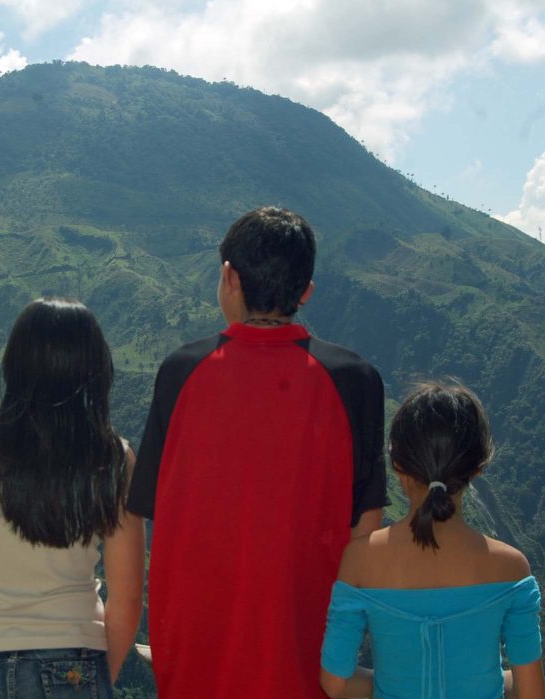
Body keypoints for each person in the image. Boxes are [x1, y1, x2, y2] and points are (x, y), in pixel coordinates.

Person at [126, 206, 388, 697]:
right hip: (307, 655)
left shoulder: (181, 372)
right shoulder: (355, 380)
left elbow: (151, 512)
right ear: (307, 290)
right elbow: (365, 527)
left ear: (229, 277)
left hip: (195, 655)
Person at [0, 297, 145, 698]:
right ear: (95, 368)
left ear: (15, 361)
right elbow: (127, 597)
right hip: (75, 655)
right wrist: (98, 676)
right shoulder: (113, 456)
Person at [320, 381, 545, 699]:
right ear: (478, 467)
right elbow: (531, 693)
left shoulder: (360, 560)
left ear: (397, 465)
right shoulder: (510, 567)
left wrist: (391, 684)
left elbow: (335, 683)